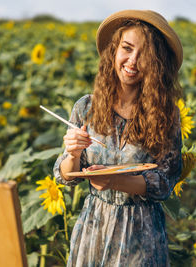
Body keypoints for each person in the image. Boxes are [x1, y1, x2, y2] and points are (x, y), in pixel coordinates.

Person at [53, 9, 184, 266]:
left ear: (157, 63)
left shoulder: (166, 114)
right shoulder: (86, 107)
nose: (132, 60)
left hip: (140, 234)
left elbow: (163, 183)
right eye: (127, 48)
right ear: (114, 50)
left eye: (145, 54)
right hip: (94, 228)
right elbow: (65, 175)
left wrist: (113, 180)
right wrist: (73, 153)